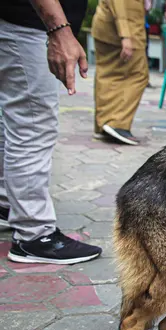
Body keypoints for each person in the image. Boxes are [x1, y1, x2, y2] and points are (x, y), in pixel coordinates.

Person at [0, 0, 102, 264]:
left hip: (17, 22)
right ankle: (34, 235)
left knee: (11, 121)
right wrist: (59, 30)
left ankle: (7, 204)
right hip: (26, 25)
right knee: (32, 126)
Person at [91, 0, 150, 145]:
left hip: (106, 24)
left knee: (106, 74)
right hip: (124, 30)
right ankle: (117, 123)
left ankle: (103, 124)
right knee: (139, 75)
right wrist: (126, 36)